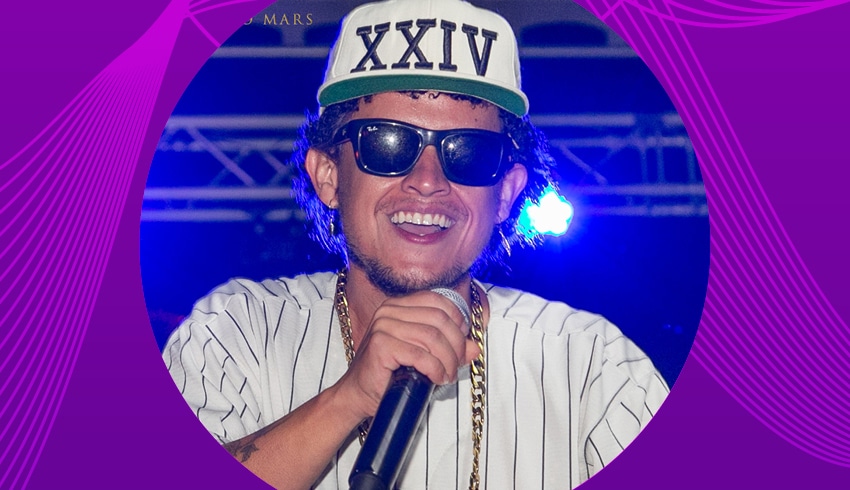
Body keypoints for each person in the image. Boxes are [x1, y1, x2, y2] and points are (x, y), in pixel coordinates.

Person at [162, 0, 669, 488]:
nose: (427, 181)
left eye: (468, 152)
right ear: (328, 175)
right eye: (388, 143)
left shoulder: (595, 368)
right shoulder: (233, 336)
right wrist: (347, 399)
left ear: (506, 194)